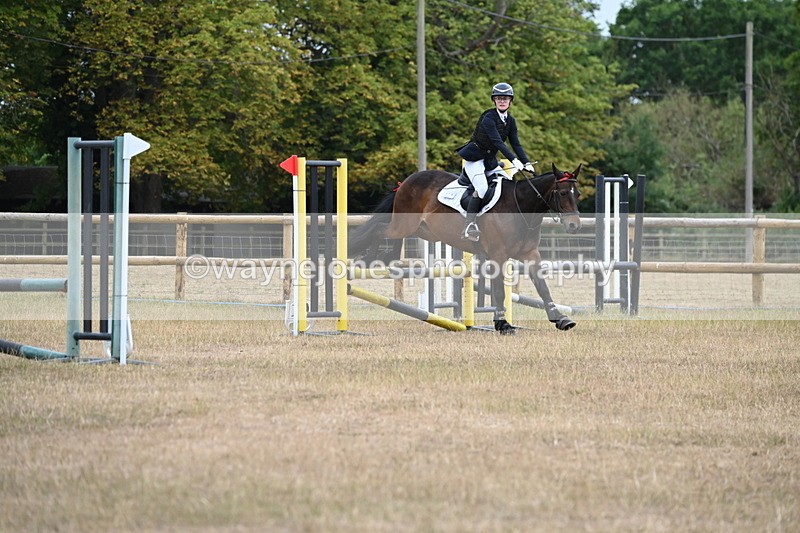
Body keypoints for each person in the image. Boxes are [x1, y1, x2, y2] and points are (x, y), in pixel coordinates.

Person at [456, 82, 536, 241]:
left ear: (510, 101)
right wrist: (514, 160)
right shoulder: (488, 118)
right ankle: (469, 225)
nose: (502, 101)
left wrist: (526, 162)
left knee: (507, 183)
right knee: (482, 188)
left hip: (489, 161)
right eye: (499, 98)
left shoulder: (510, 121)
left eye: (505, 98)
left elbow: (515, 143)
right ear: (494, 100)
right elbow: (498, 142)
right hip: (475, 159)